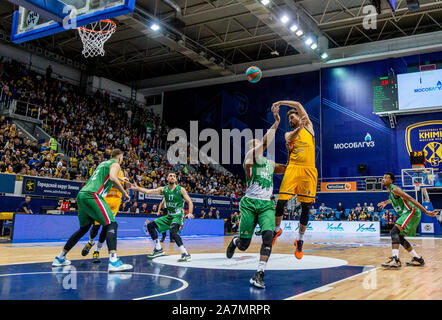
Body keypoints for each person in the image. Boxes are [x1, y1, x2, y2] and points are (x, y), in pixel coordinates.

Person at [226, 104, 286, 289]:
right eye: (254, 145)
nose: (257, 146)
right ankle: (236, 241)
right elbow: (265, 143)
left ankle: (259, 273)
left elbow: (285, 168)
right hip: (250, 204)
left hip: (267, 204)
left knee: (268, 236)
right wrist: (276, 123)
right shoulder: (249, 159)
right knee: (244, 244)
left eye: (257, 144)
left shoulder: (270, 163)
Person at [52, 149, 132, 272]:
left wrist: (121, 181)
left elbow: (108, 180)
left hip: (82, 195)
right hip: (92, 195)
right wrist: (124, 192)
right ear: (120, 157)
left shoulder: (102, 164)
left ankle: (60, 257)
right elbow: (112, 178)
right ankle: (113, 260)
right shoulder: (115, 164)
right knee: (112, 223)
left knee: (84, 228)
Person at [271, 100, 317, 261]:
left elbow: (298, 104)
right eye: (289, 119)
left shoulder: (310, 127)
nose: (290, 120)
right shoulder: (288, 133)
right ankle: (277, 229)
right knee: (281, 202)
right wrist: (298, 127)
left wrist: (281, 102)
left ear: (299, 116)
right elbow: (292, 136)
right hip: (293, 167)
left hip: (309, 170)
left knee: (306, 207)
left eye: (292, 117)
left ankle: (300, 240)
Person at [377, 172, 438, 268]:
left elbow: (410, 199)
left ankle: (395, 260)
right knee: (399, 237)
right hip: (408, 213)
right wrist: (385, 202)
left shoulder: (395, 189)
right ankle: (417, 258)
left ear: (391, 180)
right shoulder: (391, 192)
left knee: (394, 231)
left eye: (386, 177)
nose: (383, 179)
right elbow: (393, 199)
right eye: (383, 177)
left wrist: (426, 211)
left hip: (412, 211)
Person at [132, 172, 194, 262]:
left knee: (173, 231)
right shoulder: (163, 189)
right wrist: (138, 188)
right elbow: (148, 191)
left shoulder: (181, 189)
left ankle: (185, 253)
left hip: (178, 215)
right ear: (167, 179)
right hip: (169, 216)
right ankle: (158, 249)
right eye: (170, 176)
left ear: (176, 179)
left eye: (174, 176)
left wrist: (190, 213)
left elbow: (190, 202)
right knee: (150, 225)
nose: (172, 177)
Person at [80, 167, 129, 263]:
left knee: (106, 227)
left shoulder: (124, 172)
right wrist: (117, 181)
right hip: (104, 200)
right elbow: (109, 182)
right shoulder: (109, 169)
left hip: (115, 203)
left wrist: (127, 186)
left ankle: (97, 251)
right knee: (96, 226)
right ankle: (91, 242)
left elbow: (126, 187)